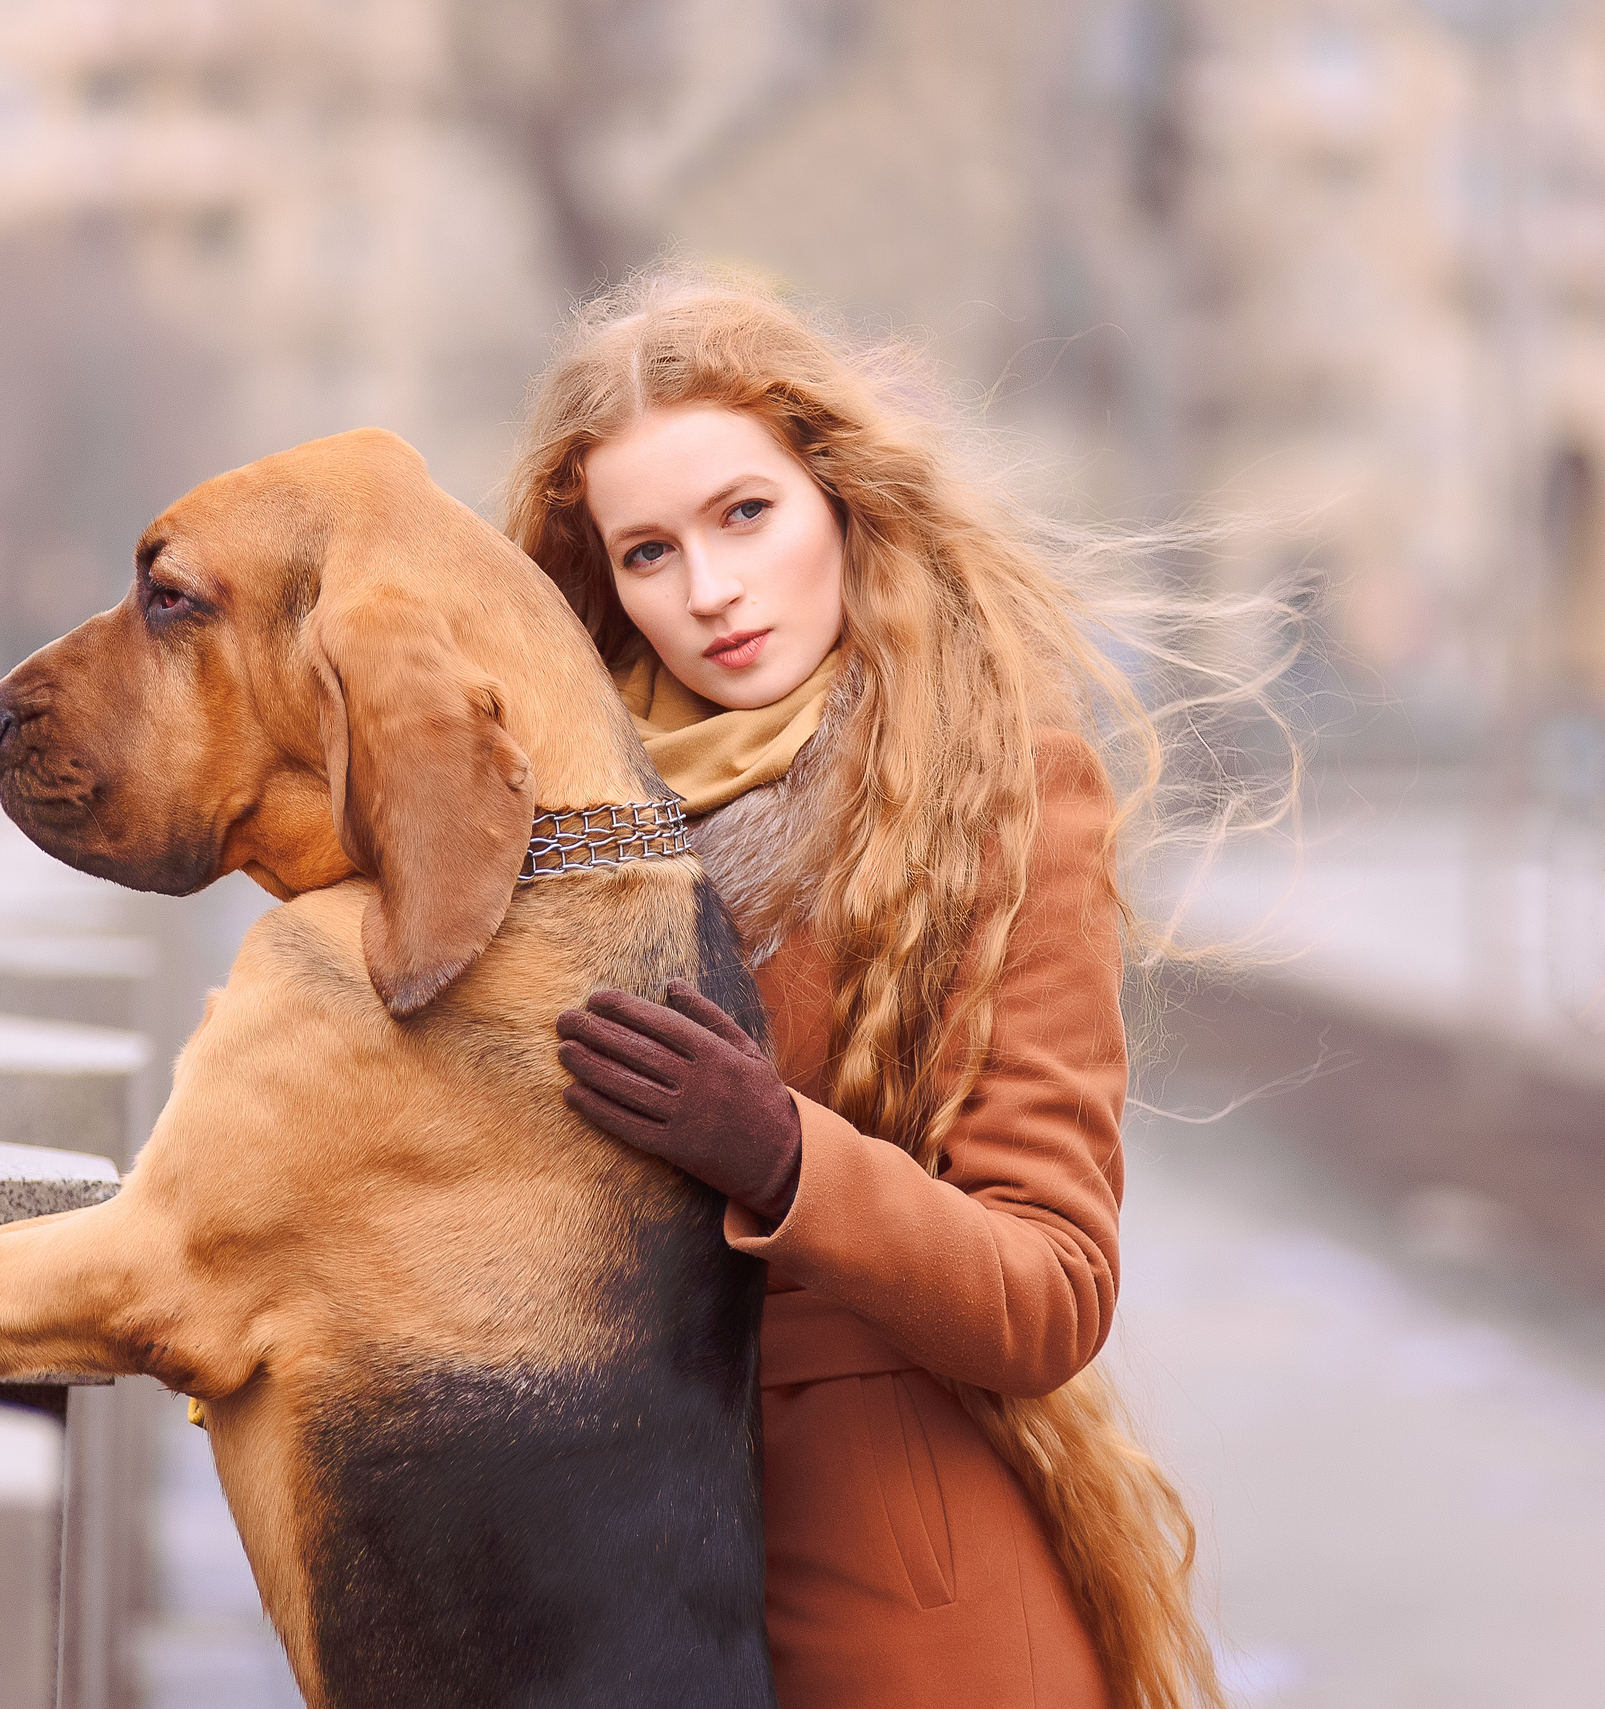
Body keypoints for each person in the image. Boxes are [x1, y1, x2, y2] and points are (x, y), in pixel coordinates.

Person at [503, 275, 1226, 1709]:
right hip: (610, 1584)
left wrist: (783, 1157)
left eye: (744, 515)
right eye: (649, 551)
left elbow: (1053, 1290)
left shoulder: (1001, 783)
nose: (707, 591)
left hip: (903, 1618)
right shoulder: (558, 817)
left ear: (834, 495)